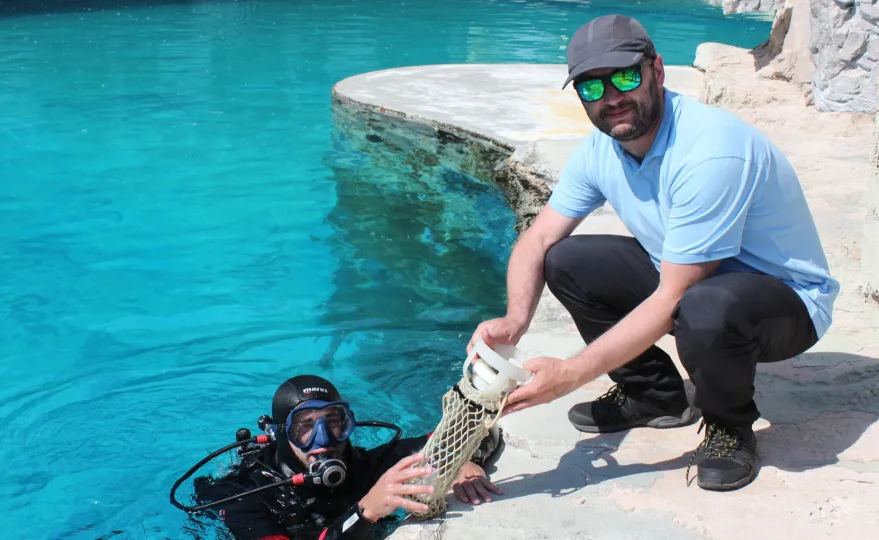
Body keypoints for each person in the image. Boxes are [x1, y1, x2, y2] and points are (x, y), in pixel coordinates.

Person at [467, 14, 839, 492]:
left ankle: (729, 425)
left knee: (702, 304)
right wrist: (515, 322)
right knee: (567, 260)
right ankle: (655, 397)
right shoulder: (599, 150)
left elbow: (676, 296)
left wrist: (572, 374)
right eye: (591, 87)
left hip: (785, 303)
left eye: (625, 77)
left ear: (657, 71)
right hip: (693, 281)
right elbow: (537, 240)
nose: (612, 98)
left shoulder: (710, 151)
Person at [191, 375, 503, 539]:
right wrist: (367, 510)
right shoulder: (247, 498)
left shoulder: (365, 467)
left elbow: (476, 430)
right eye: (305, 427)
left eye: (334, 421)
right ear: (282, 433)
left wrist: (463, 460)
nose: (324, 440)